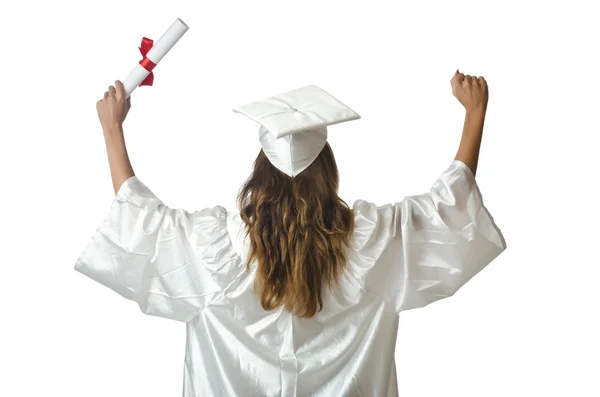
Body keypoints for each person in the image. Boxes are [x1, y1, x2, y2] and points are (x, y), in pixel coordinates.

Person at [75, 70, 506, 397]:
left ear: (260, 174)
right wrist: (475, 114)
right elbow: (447, 212)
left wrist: (112, 129)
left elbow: (142, 223)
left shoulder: (214, 250)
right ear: (329, 171)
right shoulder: (371, 246)